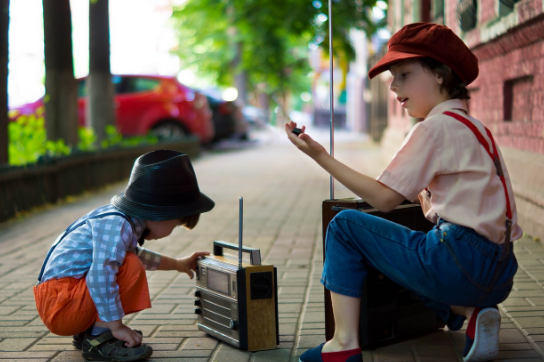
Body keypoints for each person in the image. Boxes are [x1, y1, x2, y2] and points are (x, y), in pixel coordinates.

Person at [286, 23, 521, 362]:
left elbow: (383, 199)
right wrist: (426, 200)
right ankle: (472, 314)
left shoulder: (433, 128)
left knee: (345, 226)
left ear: (440, 74)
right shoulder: (476, 128)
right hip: (501, 271)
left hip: (460, 262)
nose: (394, 87)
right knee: (407, 248)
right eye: (393, 77)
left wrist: (319, 155)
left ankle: (343, 344)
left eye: (405, 74)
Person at [33, 149, 215, 362]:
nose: (172, 230)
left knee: (129, 261)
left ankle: (90, 331)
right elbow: (101, 275)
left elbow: (140, 256)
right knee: (128, 265)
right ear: (163, 213)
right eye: (176, 224)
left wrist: (178, 264)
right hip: (62, 305)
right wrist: (117, 327)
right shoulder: (118, 225)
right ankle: (99, 340)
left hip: (61, 299)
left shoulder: (120, 221)